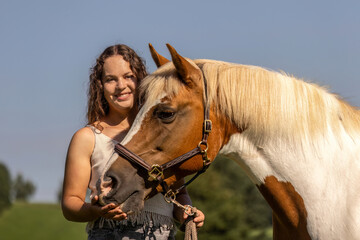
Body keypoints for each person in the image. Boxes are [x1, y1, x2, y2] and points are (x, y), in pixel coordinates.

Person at [61, 44, 205, 240]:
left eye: (128, 76)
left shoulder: (161, 132)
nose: (121, 86)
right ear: (100, 86)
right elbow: (70, 203)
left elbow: (178, 194)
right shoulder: (87, 137)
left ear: (141, 80)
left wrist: (186, 213)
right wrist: (96, 211)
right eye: (110, 79)